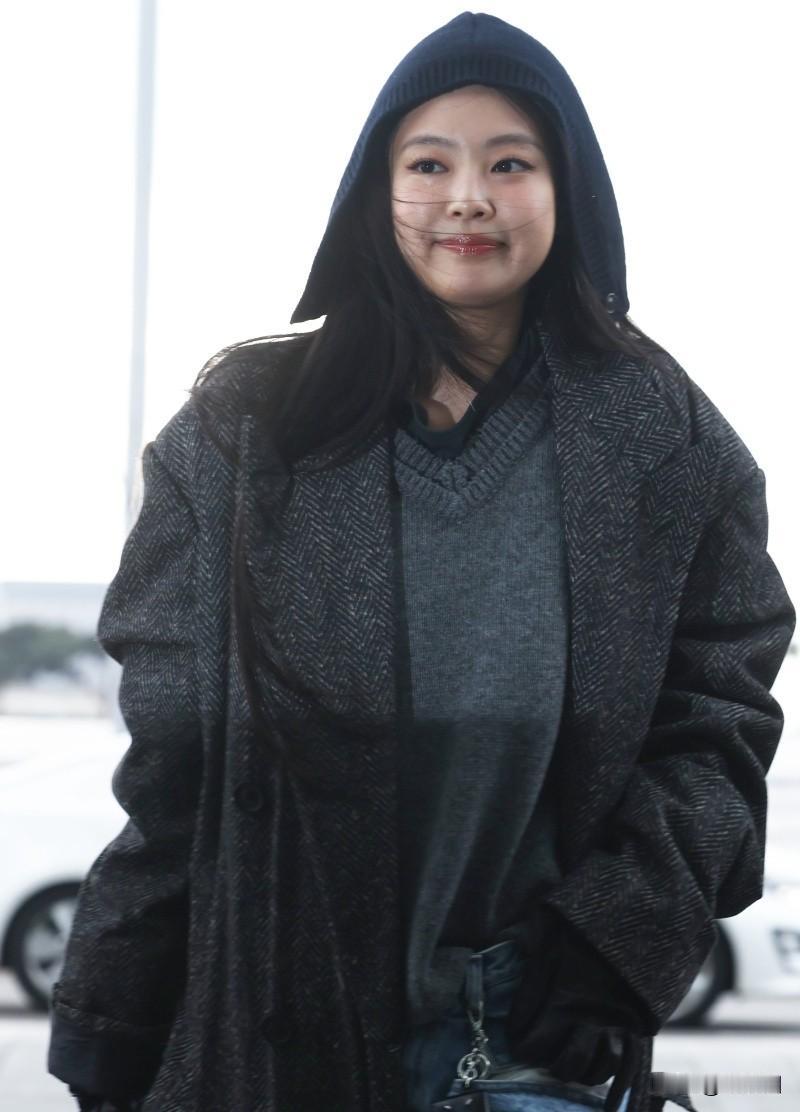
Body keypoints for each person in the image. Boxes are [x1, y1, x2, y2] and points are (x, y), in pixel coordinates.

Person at [47, 11, 795, 1112]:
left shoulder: (665, 438)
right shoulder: (241, 430)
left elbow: (717, 725)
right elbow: (174, 757)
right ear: (375, 193)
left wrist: (618, 936)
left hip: (535, 1028)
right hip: (275, 1015)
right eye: (428, 164)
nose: (468, 198)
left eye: (511, 164)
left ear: (569, 192)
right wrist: (112, 1008)